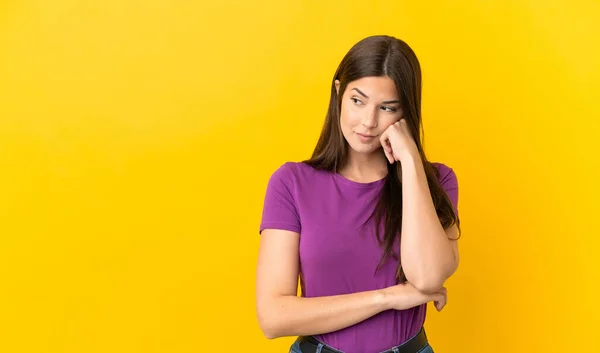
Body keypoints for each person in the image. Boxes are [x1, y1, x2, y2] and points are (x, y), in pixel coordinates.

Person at [255, 35, 462, 353]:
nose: (368, 121)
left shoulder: (436, 181)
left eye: (387, 107)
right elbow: (273, 317)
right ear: (338, 92)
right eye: (357, 100)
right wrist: (389, 297)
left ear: (406, 112)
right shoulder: (291, 183)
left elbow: (429, 277)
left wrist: (409, 162)